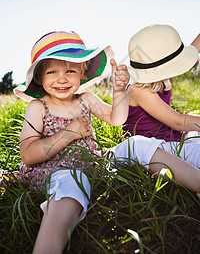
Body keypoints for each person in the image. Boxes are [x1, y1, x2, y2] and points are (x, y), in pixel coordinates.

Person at [14, 31, 200, 254]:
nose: (61, 78)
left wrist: (119, 90)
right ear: (40, 78)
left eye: (70, 71)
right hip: (56, 170)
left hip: (94, 163)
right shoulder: (38, 107)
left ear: (82, 73)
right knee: (71, 183)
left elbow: (116, 119)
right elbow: (28, 153)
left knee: (136, 144)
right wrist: (67, 134)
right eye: (52, 71)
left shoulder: (86, 99)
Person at [123, 24, 200, 168]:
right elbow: (177, 122)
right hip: (154, 149)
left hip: (172, 139)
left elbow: (194, 48)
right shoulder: (139, 90)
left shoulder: (162, 78)